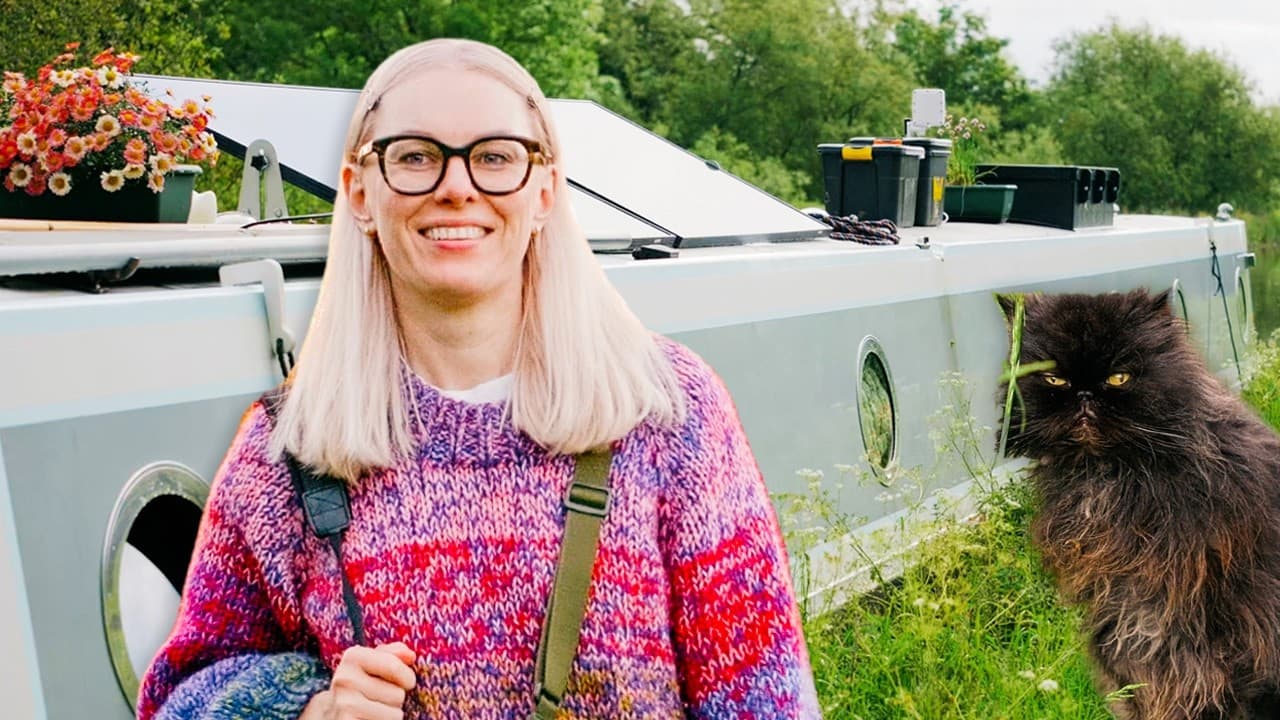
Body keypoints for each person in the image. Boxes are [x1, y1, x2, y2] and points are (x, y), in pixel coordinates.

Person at [136, 37, 819, 719]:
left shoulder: (668, 410)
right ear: (360, 193)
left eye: (494, 157)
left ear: (545, 191)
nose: (456, 187)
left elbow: (764, 696)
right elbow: (179, 699)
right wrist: (306, 709)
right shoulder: (287, 448)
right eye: (415, 158)